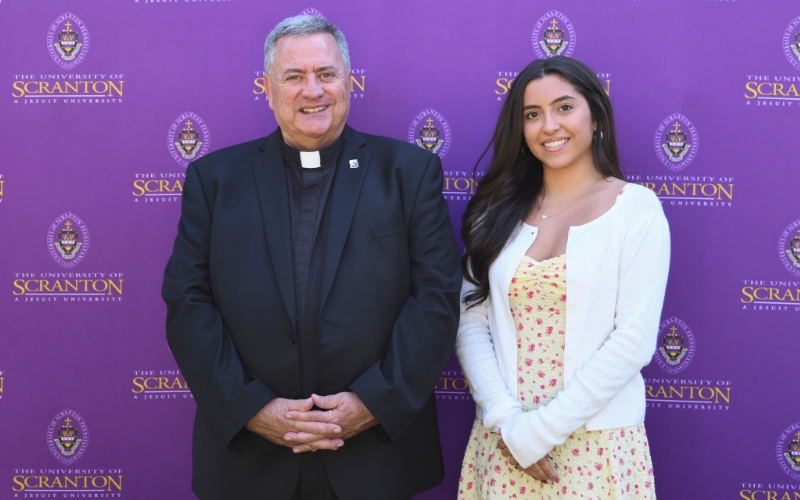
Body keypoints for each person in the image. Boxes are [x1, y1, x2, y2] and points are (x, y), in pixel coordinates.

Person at [161, 15, 461, 500]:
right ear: (268, 87)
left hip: (376, 457)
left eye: (326, 74)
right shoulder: (215, 180)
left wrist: (371, 403)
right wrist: (251, 409)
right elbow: (187, 301)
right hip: (251, 461)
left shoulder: (408, 173)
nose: (312, 90)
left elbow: (437, 298)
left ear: (348, 80)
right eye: (294, 76)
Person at [455, 56, 670, 499]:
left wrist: (539, 433)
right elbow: (471, 323)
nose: (549, 125)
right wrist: (507, 423)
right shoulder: (495, 214)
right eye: (532, 115)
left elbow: (633, 340)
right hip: (504, 446)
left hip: (597, 449)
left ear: (596, 117)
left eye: (564, 107)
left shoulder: (636, 210)